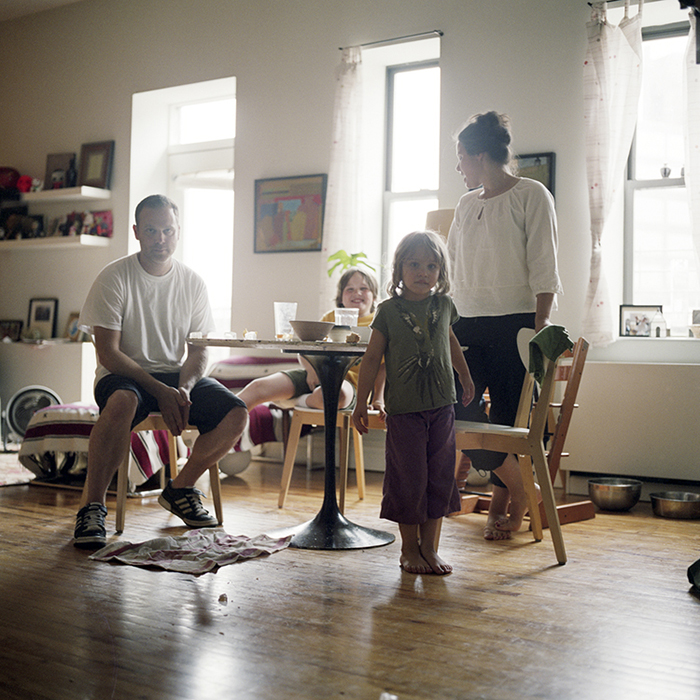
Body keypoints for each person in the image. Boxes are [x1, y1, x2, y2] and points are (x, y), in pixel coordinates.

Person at [73, 194, 247, 549]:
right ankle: (91, 507)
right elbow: (107, 352)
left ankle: (180, 488)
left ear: (178, 231)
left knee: (236, 413)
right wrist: (159, 389)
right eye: (152, 231)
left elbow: (198, 350)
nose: (160, 239)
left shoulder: (193, 282)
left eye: (167, 230)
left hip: (173, 375)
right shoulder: (114, 277)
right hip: (122, 374)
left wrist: (184, 388)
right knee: (121, 401)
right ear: (137, 232)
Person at [447, 111, 563, 541]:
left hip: (517, 324)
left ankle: (505, 508)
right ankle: (526, 491)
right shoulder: (464, 205)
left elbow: (544, 267)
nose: (458, 166)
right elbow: (454, 272)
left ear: (480, 154)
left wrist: (541, 327)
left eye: (460, 156)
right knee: (458, 410)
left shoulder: (533, 194)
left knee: (513, 423)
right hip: (468, 325)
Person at [352, 231, 474, 575]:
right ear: (400, 269)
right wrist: (360, 403)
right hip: (404, 412)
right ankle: (409, 550)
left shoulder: (445, 306)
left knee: (438, 477)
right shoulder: (388, 311)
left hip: (442, 408)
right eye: (415, 264)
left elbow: (450, 343)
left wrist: (464, 376)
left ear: (441, 271)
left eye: (431, 265)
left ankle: (431, 549)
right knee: (410, 479)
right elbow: (372, 357)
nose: (423, 272)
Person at [236, 268, 385, 416]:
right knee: (257, 387)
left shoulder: (378, 324)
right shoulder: (330, 318)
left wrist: (378, 399)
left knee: (333, 395)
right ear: (340, 297)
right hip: (317, 375)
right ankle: (220, 428)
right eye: (350, 289)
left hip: (350, 386)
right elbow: (306, 347)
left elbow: (382, 368)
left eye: (363, 289)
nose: (357, 293)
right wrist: (311, 371)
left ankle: (296, 401)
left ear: (374, 296)